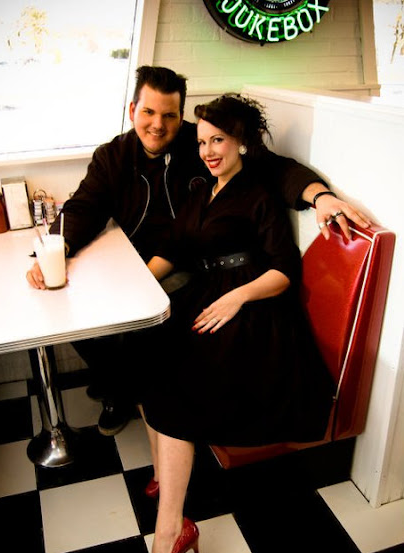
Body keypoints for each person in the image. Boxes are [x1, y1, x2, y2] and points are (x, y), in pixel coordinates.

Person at [26, 65, 369, 439]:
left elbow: (275, 168)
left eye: (169, 115)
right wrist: (55, 251)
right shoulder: (113, 156)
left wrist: (320, 196)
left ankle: (132, 391)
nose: (158, 125)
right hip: (140, 261)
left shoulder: (201, 142)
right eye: (148, 112)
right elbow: (83, 207)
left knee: (143, 324)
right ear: (132, 110)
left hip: (190, 266)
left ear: (181, 116)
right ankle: (117, 384)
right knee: (81, 313)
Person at [133, 94, 335, 553]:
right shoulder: (203, 189)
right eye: (202, 141)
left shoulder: (257, 193)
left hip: (254, 311)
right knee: (143, 354)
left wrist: (236, 299)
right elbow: (174, 248)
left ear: (241, 141)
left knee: (173, 391)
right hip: (209, 296)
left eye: (218, 140)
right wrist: (134, 287)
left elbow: (285, 270)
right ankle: (165, 471)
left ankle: (171, 532)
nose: (207, 150)